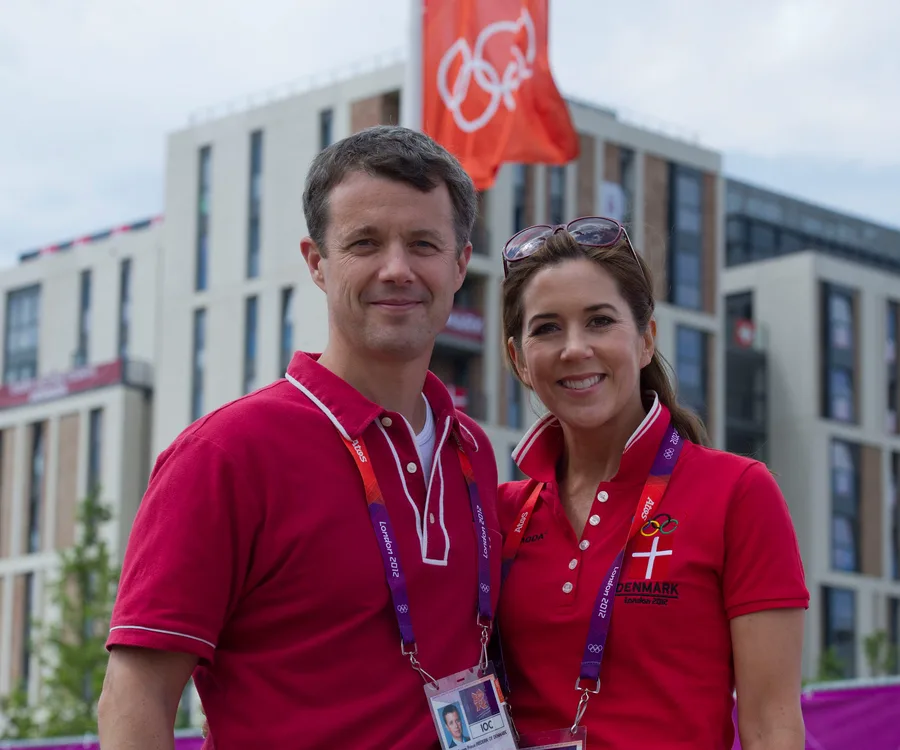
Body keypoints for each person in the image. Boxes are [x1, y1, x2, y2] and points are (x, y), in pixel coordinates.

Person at [97, 125, 503, 749]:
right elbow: (135, 697)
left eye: (423, 243)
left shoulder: (469, 449)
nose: (397, 269)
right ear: (317, 262)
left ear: (457, 263)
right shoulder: (225, 453)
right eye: (365, 243)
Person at [495, 218, 808, 750]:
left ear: (645, 341)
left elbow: (770, 725)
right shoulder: (499, 511)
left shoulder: (738, 491)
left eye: (599, 321)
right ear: (518, 360)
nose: (574, 348)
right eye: (546, 328)